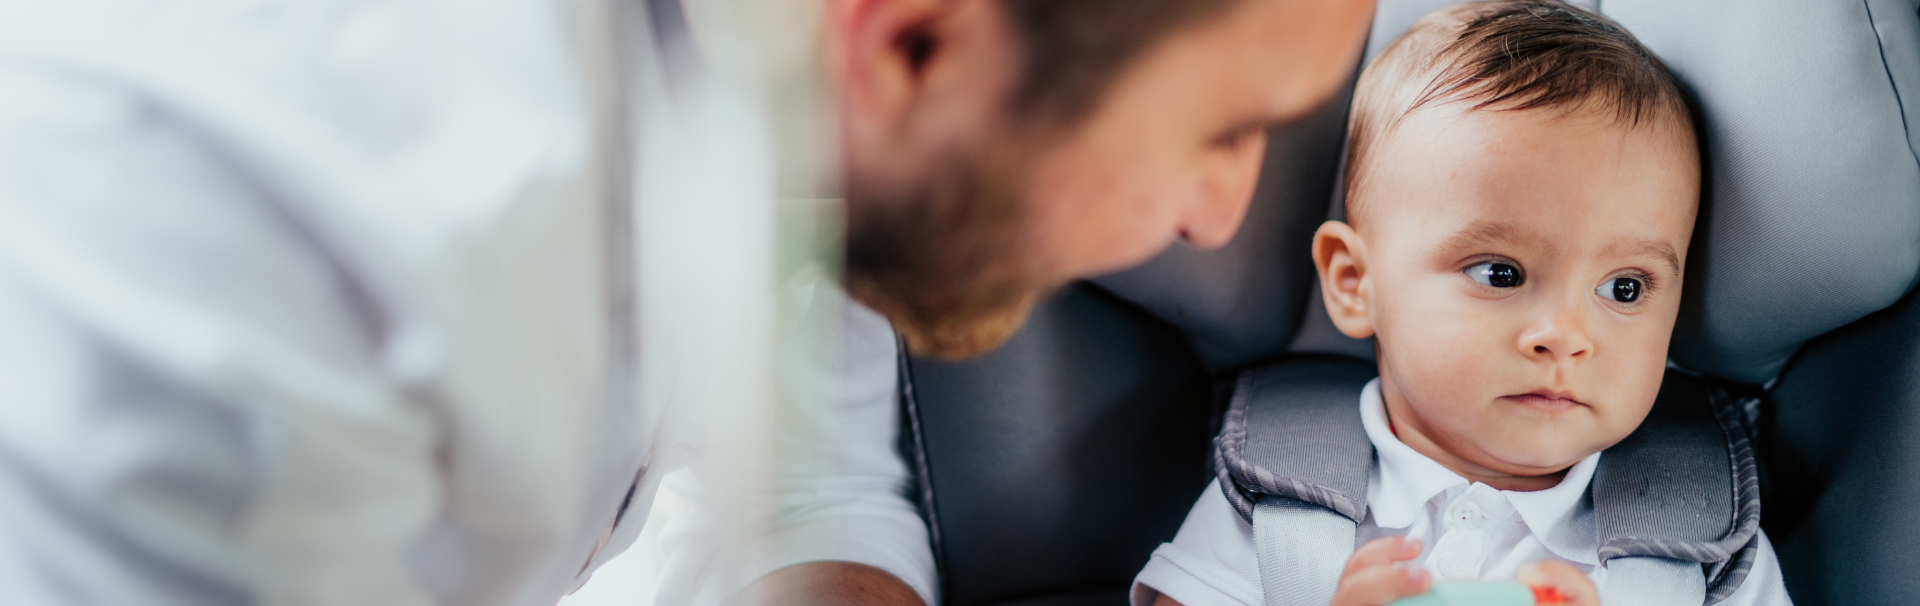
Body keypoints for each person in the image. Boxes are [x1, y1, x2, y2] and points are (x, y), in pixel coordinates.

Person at [0, 1, 1371, 605]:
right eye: (1224, 129)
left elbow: (781, 473)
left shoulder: (814, 136)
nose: (1214, 217)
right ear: (909, 42)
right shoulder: (234, 228)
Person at [1129, 2, 1792, 605]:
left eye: (1625, 288)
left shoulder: (1702, 547)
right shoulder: (1278, 496)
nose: (1565, 335)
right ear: (1356, 282)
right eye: (1501, 273)